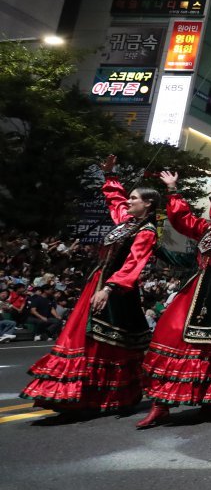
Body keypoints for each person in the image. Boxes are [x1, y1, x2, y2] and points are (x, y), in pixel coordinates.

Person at [22, 155, 158, 413]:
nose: (128, 202)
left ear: (148, 204)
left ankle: (97, 397)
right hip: (95, 283)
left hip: (116, 290)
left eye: (134, 199)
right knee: (80, 336)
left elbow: (133, 264)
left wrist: (109, 289)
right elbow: (115, 201)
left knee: (101, 341)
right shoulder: (125, 223)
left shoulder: (146, 231)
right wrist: (110, 175)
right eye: (129, 198)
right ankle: (73, 393)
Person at [137, 173, 211, 429]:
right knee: (169, 337)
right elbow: (183, 220)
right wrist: (173, 189)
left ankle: (208, 401)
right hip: (194, 292)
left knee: (207, 350)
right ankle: (161, 404)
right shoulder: (208, 231)